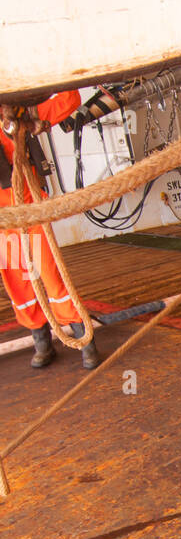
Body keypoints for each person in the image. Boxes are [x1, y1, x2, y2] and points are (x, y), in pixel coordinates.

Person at [1, 91, 100, 370]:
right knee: (18, 282)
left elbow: (69, 99)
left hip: (32, 210)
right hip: (3, 220)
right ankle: (41, 340)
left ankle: (83, 338)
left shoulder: (24, 115)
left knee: (51, 276)